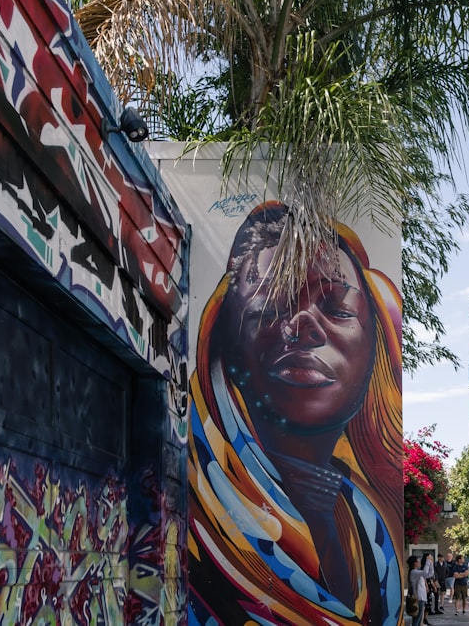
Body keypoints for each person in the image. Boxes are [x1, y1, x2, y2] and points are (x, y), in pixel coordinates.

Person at [188, 201, 405, 626]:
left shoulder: (373, 541)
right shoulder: (190, 517)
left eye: (339, 308)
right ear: (225, 335)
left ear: (377, 350)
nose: (304, 323)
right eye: (272, 304)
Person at [409, 554, 436, 626]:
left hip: (421, 597)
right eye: (418, 561)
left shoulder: (417, 572)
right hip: (418, 598)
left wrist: (431, 563)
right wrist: (427, 561)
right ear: (414, 563)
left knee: (418, 617)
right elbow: (425, 572)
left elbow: (429, 574)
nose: (419, 562)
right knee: (417, 618)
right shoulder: (414, 572)